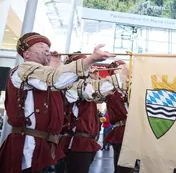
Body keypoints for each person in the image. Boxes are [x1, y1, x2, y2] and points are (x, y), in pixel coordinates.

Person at [0, 32, 114, 173]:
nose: (47, 49)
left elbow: (86, 90)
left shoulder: (47, 76)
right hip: (28, 146)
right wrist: (90, 59)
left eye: (48, 46)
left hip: (46, 145)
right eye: (40, 46)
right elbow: (54, 80)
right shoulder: (24, 69)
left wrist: (54, 65)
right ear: (27, 54)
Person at [57, 52, 128, 173]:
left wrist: (94, 79)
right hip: (76, 142)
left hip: (85, 142)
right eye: (87, 65)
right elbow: (94, 91)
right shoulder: (70, 84)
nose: (92, 68)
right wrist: (120, 76)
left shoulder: (83, 84)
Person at [103, 60, 135, 173]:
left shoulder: (130, 87)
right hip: (122, 131)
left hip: (133, 132)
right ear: (116, 71)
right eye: (122, 67)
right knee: (124, 168)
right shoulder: (111, 88)